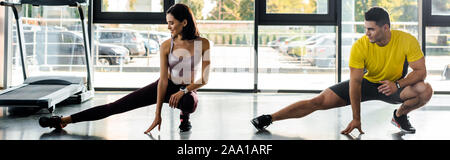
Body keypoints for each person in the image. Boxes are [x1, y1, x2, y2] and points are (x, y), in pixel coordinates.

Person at [251, 7, 433, 134]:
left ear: (385, 28)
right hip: (367, 83)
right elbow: (355, 83)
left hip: (393, 87)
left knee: (425, 89)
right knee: (318, 101)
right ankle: (269, 118)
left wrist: (397, 84)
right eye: (365, 28)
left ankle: (399, 116)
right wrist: (356, 118)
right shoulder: (361, 46)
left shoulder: (406, 40)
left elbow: (420, 71)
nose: (367, 33)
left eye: (371, 29)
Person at [39, 3, 211, 133]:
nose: (168, 27)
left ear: (185, 22)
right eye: (167, 23)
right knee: (114, 106)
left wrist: (184, 90)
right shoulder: (166, 45)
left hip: (187, 90)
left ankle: (184, 117)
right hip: (166, 85)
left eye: (172, 23)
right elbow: (163, 80)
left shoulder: (203, 44)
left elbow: (204, 79)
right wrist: (157, 113)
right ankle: (63, 120)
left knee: (188, 102)